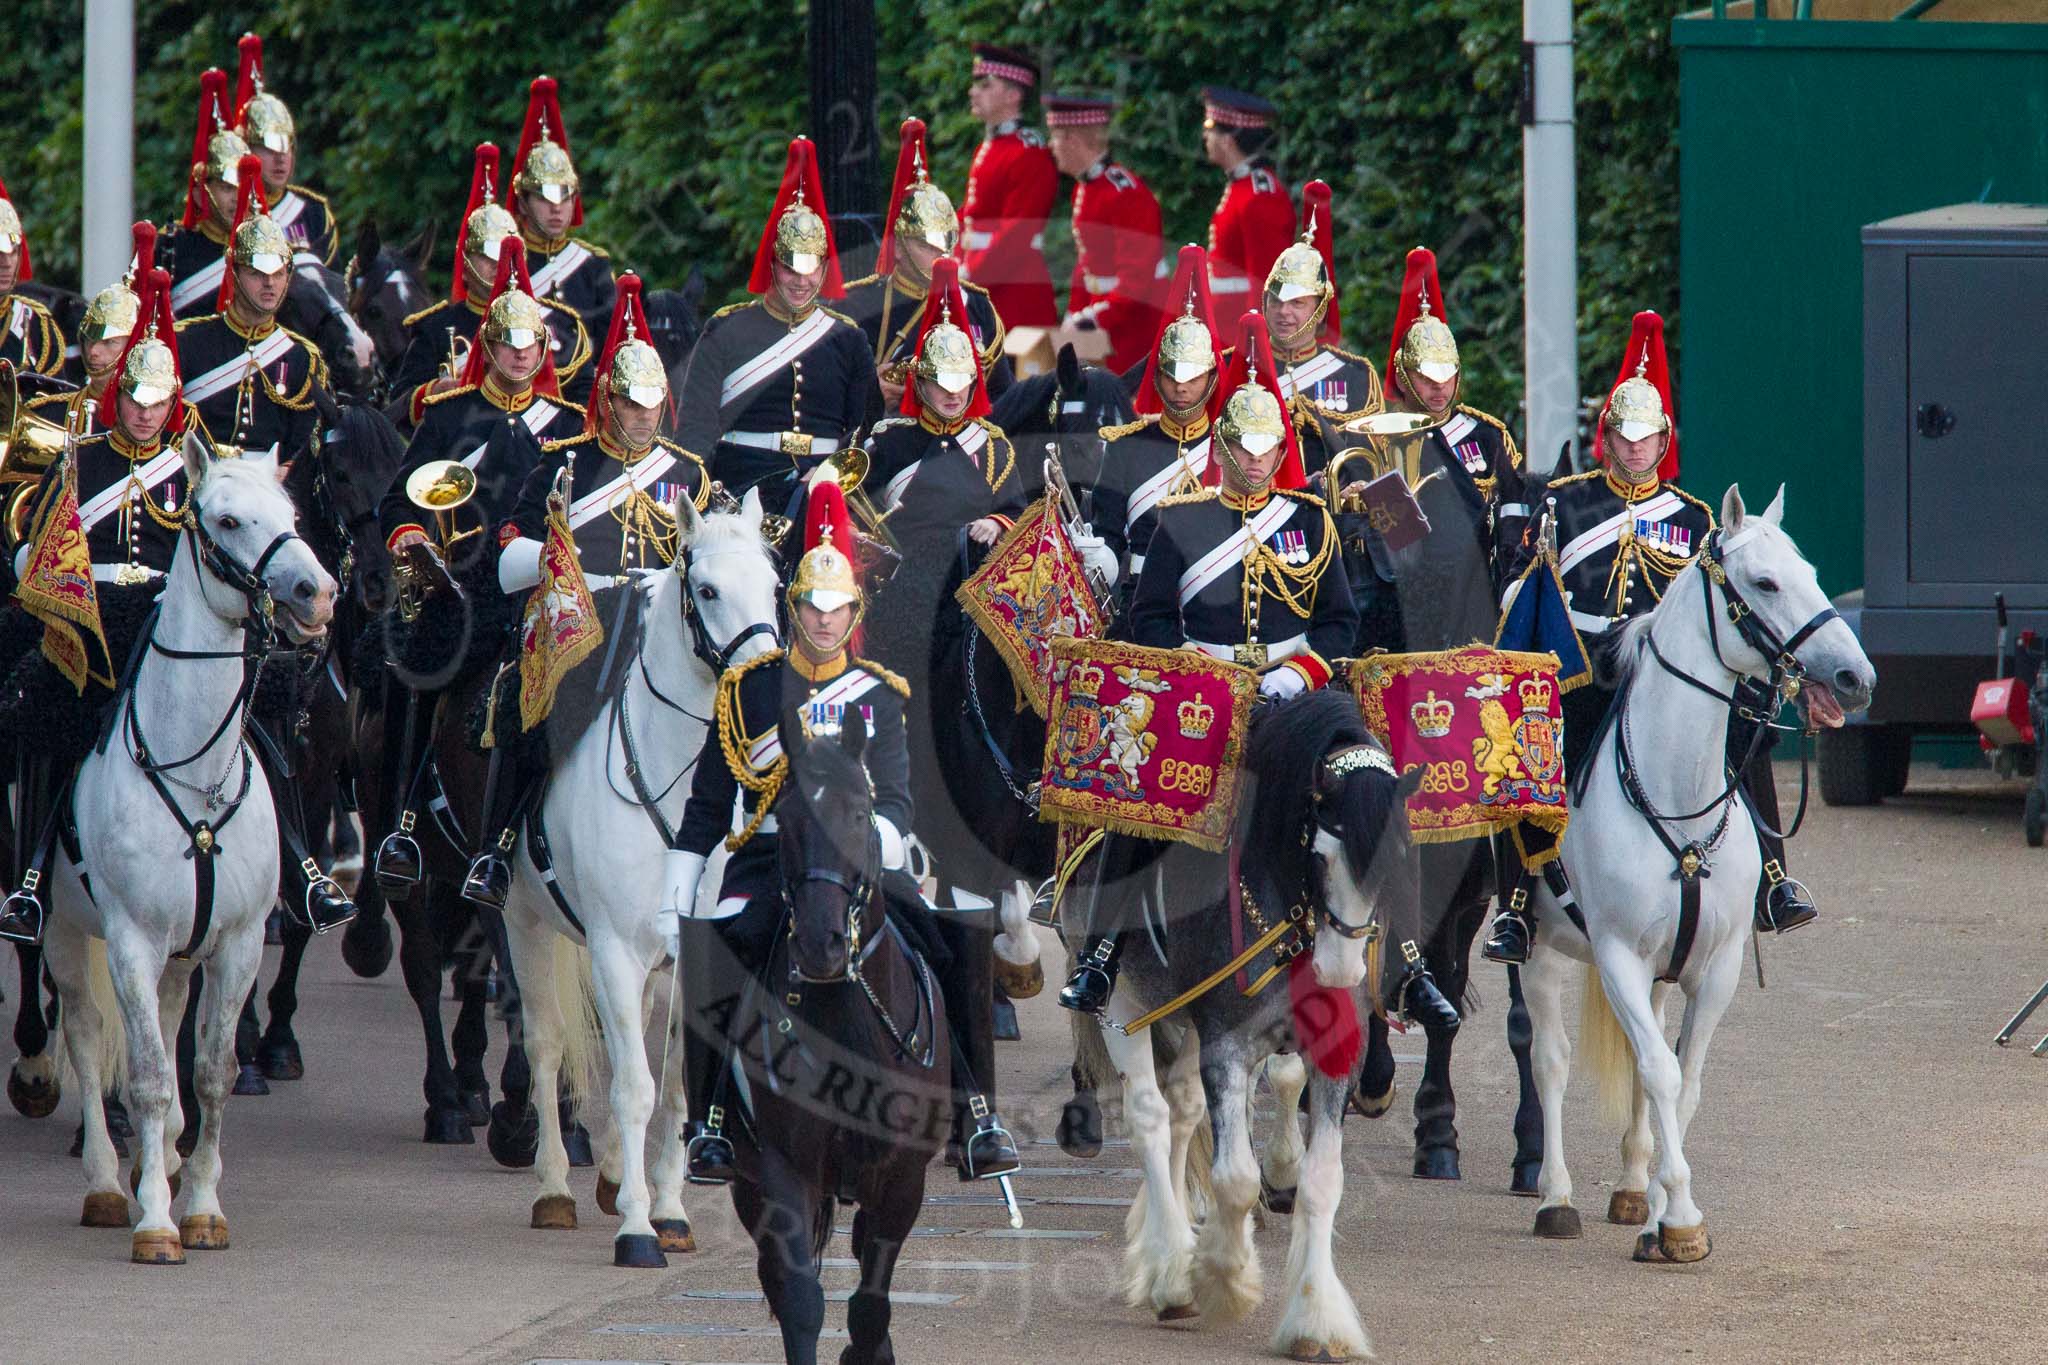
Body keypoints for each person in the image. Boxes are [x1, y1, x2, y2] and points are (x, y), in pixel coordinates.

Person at [1057, 311, 1458, 1030]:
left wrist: (1300, 672)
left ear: (1280, 451)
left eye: (1268, 448)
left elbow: (1339, 621)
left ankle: (1408, 963)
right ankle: (1104, 953)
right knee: (1145, 796)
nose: (1255, 460)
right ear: (1223, 445)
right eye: (1242, 446)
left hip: (1298, 697)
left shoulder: (1310, 521)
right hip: (1205, 697)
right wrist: (1188, 666)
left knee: (1376, 791)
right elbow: (1150, 618)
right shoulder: (1181, 519)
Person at [663, 480, 1022, 1185]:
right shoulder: (748, 689)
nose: (823, 623)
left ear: (853, 612)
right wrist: (678, 885)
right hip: (768, 855)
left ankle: (978, 1114)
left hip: (858, 860)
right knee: (714, 942)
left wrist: (874, 843)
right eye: (810, 609)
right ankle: (709, 1123)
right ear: (790, 609)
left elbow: (896, 798)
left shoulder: (881, 691)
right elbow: (710, 804)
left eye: (835, 611)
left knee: (961, 931)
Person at [1480, 311, 1817, 962]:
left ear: (1665, 440)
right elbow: (1519, 583)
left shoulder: (1693, 517)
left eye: (1647, 438)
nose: (1635, 450)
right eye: (1624, 437)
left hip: (1667, 668)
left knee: (1748, 723)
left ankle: (1773, 879)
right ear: (1605, 437)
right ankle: (1519, 903)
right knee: (1526, 746)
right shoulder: (1566, 501)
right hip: (1584, 665)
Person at [461, 273, 709, 908]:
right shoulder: (562, 462)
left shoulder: (688, 473)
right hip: (582, 621)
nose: (645, 415)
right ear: (607, 399)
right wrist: (565, 568)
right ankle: (496, 846)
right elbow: (510, 545)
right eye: (633, 403)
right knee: (525, 700)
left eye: (654, 402)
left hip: (661, 622)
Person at [371, 240, 586, 892]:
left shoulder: (568, 424)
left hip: (540, 584)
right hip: (460, 580)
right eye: (509, 343)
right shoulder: (448, 413)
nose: (521, 354)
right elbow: (395, 505)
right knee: (414, 664)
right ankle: (402, 823)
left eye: (531, 344)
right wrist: (419, 570)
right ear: (487, 346)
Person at [0, 270, 201, 942]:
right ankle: (29, 878)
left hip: (167, 617)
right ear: (119, 398)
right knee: (43, 714)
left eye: (156, 401)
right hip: (91, 622)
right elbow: (40, 545)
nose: (144, 412)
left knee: (262, 715)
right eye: (135, 399)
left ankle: (295, 862)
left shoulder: (194, 467)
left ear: (172, 400)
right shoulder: (80, 460)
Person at [673, 138, 874, 518]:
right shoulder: (726, 329)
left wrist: (831, 474)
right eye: (790, 268)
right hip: (740, 483)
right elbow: (696, 428)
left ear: (824, 268)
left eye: (810, 268)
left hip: (824, 486)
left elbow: (865, 426)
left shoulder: (848, 338)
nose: (801, 281)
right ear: (773, 265)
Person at [388, 143, 593, 431]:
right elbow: (396, 410)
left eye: (506, 253)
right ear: (466, 262)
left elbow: (585, 399)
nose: (498, 263)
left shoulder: (558, 322)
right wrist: (433, 391)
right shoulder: (435, 328)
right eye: (486, 255)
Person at [841, 118, 1009, 419]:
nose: (942, 255)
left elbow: (1002, 397)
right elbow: (827, 400)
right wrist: (870, 391)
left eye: (947, 243)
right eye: (927, 246)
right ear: (900, 248)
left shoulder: (977, 305)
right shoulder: (857, 304)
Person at [1092, 244, 1225, 610]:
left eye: (1193, 377)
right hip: (1140, 597)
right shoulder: (1124, 447)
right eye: (1172, 376)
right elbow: (1109, 530)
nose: (1181, 387)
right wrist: (1098, 557)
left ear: (1212, 377)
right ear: (1157, 377)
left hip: (1217, 600)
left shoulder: (1233, 445)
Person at [173, 157, 324, 464]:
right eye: (257, 273)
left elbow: (305, 443)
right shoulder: (187, 342)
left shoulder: (301, 357)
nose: (269, 284)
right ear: (234, 275)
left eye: (278, 273)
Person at [1255, 180, 1381, 476]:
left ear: (1319, 309)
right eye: (1276, 301)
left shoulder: (1354, 375)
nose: (1284, 312)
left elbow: (1366, 465)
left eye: (1297, 303)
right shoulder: (1238, 363)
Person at [1042, 93, 1163, 377]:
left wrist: (1088, 320)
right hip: (1109, 324)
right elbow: (1087, 265)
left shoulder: (1125, 193)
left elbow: (1136, 281)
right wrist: (1076, 313)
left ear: (1073, 139)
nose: (1051, 146)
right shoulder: (1086, 188)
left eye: (1056, 137)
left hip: (1134, 329)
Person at [959, 43, 1059, 332]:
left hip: (1014, 294)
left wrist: (968, 275)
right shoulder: (988, 147)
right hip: (983, 288)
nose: (973, 91)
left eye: (986, 85)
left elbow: (1016, 235)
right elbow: (971, 217)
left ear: (1013, 95)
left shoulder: (1029, 152)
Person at [508, 75, 618, 335]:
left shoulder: (593, 266)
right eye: (545, 197)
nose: (556, 208)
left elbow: (611, 343)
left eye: (565, 196)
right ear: (523, 203)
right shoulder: (506, 263)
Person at [232, 33, 339, 270]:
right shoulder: (228, 214)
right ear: (246, 152)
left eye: (286, 147)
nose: (280, 158)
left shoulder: (313, 214)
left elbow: (333, 287)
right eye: (269, 148)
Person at [40, 223, 156, 431]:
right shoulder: (50, 414)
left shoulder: (158, 419)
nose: (93, 351)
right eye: (90, 340)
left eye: (109, 342)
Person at [164, 69, 255, 320]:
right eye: (227, 188)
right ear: (199, 193)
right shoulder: (169, 245)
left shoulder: (265, 241)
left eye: (243, 188)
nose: (237, 198)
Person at [1200, 86, 1294, 332]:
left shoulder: (1259, 196)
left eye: (1210, 130)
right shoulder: (1243, 187)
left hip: (1241, 337)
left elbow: (1266, 282)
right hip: (1226, 331)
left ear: (1228, 140)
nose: (1205, 138)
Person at [0, 173, 63, 379]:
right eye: (0, 254)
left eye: (14, 252)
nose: (7, 264)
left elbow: (54, 402)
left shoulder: (37, 322)